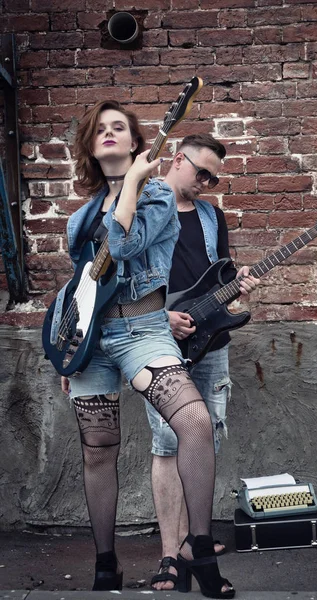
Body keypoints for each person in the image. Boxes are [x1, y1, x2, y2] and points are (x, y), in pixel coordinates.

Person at [59, 101, 235, 598]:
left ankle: (198, 555)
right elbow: (79, 284)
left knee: (195, 422)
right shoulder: (79, 218)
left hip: (142, 330)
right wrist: (67, 345)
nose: (111, 133)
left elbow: (126, 244)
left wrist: (133, 183)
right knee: (98, 450)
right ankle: (104, 564)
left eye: (121, 127)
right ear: (92, 145)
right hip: (91, 340)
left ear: (137, 144)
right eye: (102, 129)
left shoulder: (157, 197)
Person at [144, 134, 259, 591]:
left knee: (205, 437)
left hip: (212, 342)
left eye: (214, 177)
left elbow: (221, 276)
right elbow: (123, 278)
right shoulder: (145, 207)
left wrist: (241, 284)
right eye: (202, 173)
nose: (208, 183)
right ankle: (170, 557)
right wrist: (160, 318)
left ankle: (197, 539)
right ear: (177, 160)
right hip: (158, 342)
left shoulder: (212, 215)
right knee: (167, 443)